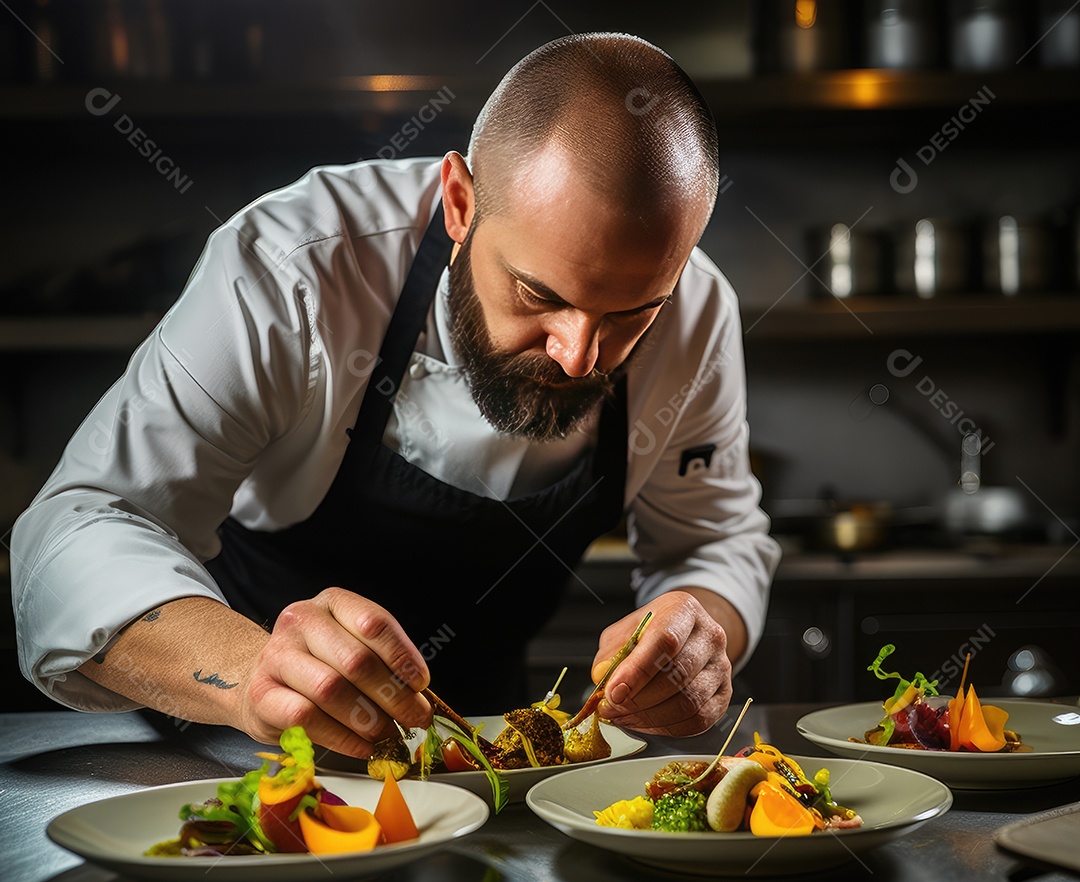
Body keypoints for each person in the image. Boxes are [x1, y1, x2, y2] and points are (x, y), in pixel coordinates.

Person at [11, 32, 780, 758]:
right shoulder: (289, 269)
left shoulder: (696, 311)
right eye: (536, 293)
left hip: (493, 770)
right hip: (243, 755)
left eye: (629, 315)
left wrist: (698, 633)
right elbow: (76, 528)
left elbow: (711, 542)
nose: (580, 356)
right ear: (458, 203)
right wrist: (254, 672)